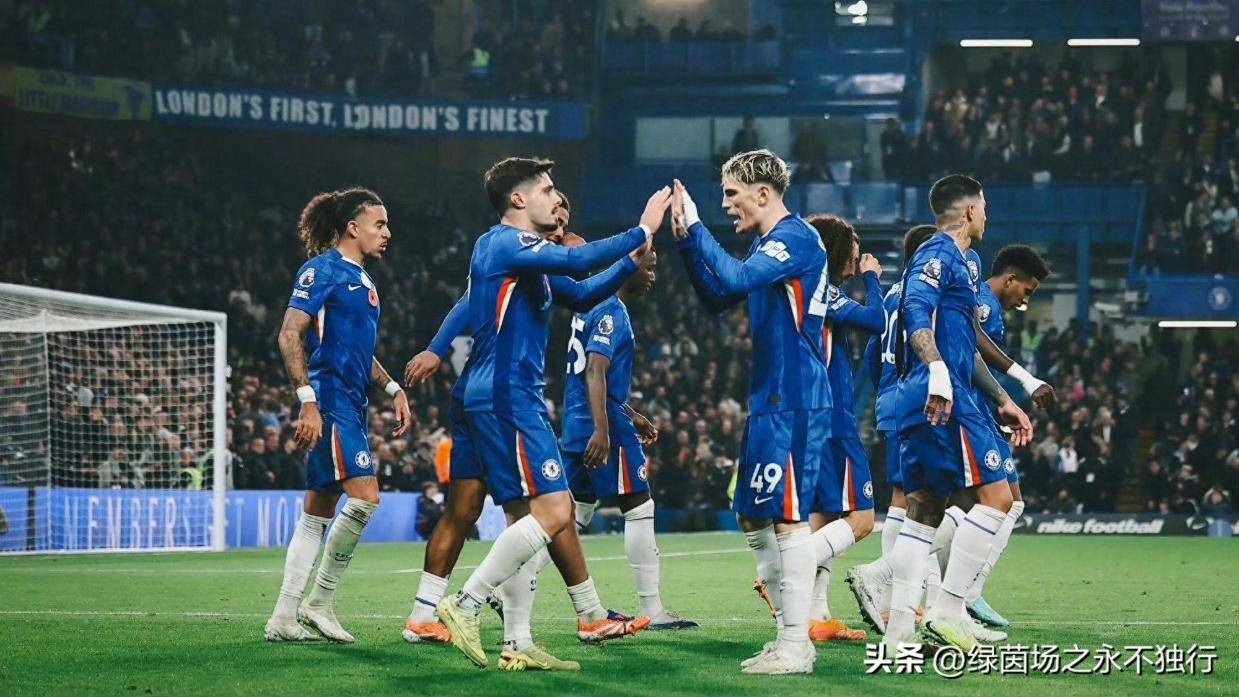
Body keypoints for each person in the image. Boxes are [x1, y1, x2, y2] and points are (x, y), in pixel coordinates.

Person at [420, 158, 672, 670]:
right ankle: (465, 602)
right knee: (554, 514)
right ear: (518, 199)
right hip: (508, 397)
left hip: (512, 397)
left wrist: (631, 262)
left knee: (523, 518)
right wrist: (642, 230)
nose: (556, 198)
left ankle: (518, 641)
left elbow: (582, 293)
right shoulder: (501, 242)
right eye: (548, 189)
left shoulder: (528, 264)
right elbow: (577, 262)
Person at [672, 149, 830, 675]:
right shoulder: (768, 244)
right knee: (755, 512)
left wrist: (698, 227)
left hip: (795, 395)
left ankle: (797, 644)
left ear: (763, 193)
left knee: (789, 519)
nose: (725, 205)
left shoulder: (797, 238)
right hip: (771, 396)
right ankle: (788, 635)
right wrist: (688, 244)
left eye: (731, 194)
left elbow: (736, 280)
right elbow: (718, 297)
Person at [880, 174, 1033, 651]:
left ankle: (899, 633)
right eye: (984, 208)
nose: (987, 217)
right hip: (944, 396)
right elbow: (916, 312)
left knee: (922, 512)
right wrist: (939, 372)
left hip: (918, 396)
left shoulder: (962, 263)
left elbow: (964, 335)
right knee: (1000, 499)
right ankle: (949, 612)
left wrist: (1009, 393)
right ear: (969, 211)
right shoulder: (940, 253)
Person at [264, 187, 412, 643]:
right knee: (365, 498)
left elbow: (358, 351)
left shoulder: (363, 280)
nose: (387, 233)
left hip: (352, 402)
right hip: (330, 402)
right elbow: (289, 334)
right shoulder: (322, 270)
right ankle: (320, 602)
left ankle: (283, 617)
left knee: (318, 511)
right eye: (379, 224)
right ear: (353, 227)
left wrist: (393, 388)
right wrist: (307, 400)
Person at [561, 237, 698, 630]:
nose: (653, 276)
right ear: (628, 266)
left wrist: (632, 413)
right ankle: (652, 609)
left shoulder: (588, 304)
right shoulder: (610, 308)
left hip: (575, 424)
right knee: (639, 507)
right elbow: (595, 370)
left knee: (567, 519)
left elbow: (594, 377)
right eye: (649, 267)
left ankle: (505, 589)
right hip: (600, 427)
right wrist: (604, 430)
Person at [951, 244, 1051, 632]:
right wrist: (1020, 386)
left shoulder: (986, 304)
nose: (1025, 299)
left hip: (983, 414)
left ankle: (961, 591)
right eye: (1027, 289)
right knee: (995, 503)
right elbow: (971, 346)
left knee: (998, 503)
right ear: (1009, 279)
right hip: (970, 415)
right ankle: (959, 593)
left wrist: (1000, 408)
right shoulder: (984, 306)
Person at [798, 214, 886, 643]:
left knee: (824, 518)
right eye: (853, 255)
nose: (856, 263)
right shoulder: (825, 292)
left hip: (815, 416)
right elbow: (877, 321)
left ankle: (816, 615)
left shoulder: (807, 291)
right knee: (862, 519)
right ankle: (786, 574)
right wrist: (873, 279)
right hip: (833, 420)